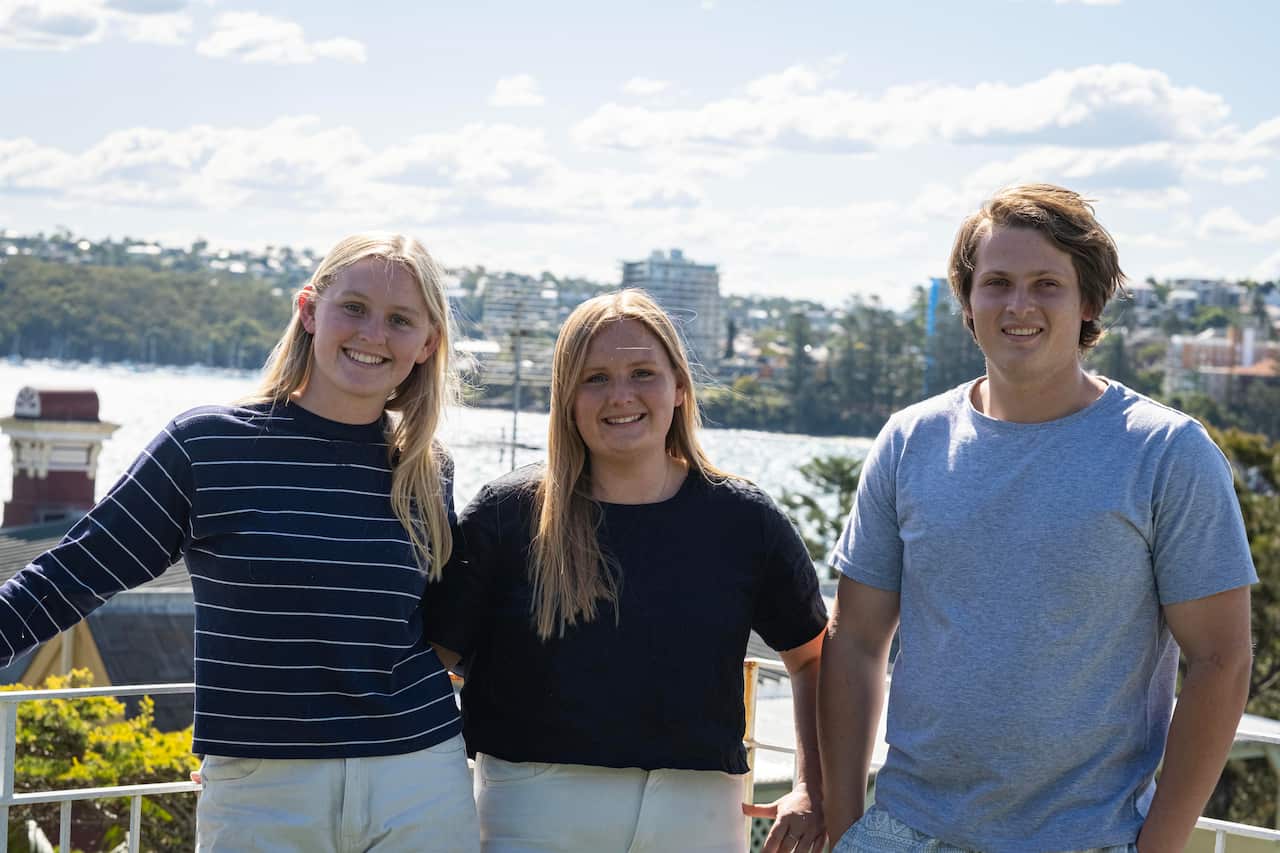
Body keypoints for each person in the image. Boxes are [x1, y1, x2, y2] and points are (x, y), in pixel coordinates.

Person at [0, 233, 480, 852]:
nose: (373, 335)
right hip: (262, 791)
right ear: (309, 310)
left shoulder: (424, 466)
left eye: (399, 320)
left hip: (418, 777)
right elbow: (73, 573)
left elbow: (445, 629)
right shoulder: (207, 446)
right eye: (354, 308)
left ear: (427, 344)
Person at [818, 184, 1257, 853]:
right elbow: (854, 641)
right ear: (967, 303)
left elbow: (1220, 659)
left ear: (1089, 302)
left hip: (1087, 839)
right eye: (996, 282)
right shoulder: (909, 441)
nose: (1019, 305)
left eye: (1046, 283)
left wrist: (1158, 847)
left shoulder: (1167, 453)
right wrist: (849, 826)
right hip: (901, 832)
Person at [425, 289, 828, 853]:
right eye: (594, 378)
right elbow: (429, 666)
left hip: (698, 816)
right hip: (529, 813)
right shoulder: (506, 516)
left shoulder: (743, 519)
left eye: (643, 372)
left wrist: (811, 787)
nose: (621, 396)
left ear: (680, 387)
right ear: (565, 396)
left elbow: (813, 657)